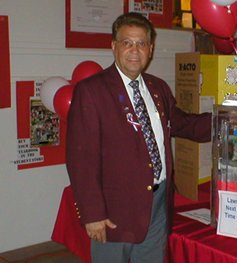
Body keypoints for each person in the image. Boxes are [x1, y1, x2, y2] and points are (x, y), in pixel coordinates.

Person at [66, 12, 211, 263]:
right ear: (114, 46)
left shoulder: (158, 89)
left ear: (151, 49)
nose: (135, 50)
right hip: (114, 210)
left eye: (141, 43)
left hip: (157, 203)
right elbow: (81, 159)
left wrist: (228, 119)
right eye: (127, 43)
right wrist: (92, 214)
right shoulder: (92, 91)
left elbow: (183, 124)